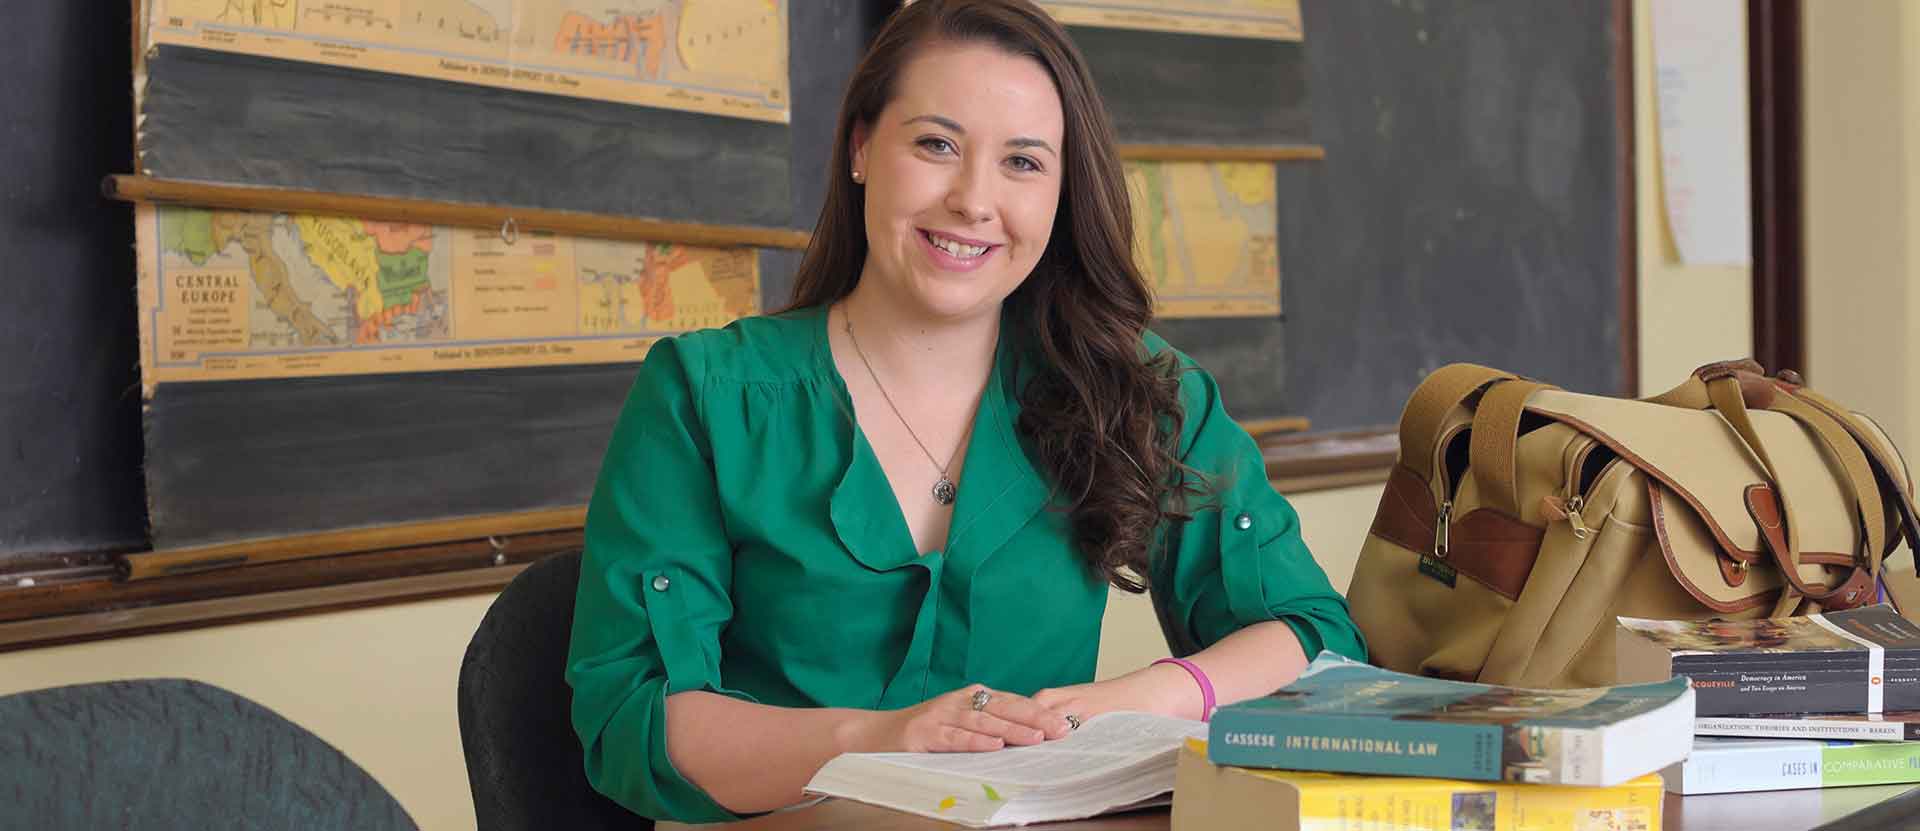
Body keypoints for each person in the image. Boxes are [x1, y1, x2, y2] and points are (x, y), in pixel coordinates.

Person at [565, 0, 1365, 823]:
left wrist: (1147, 698)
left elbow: (1309, 636)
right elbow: (637, 716)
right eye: (937, 144)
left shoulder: (1136, 390)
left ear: (1061, 192)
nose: (974, 201)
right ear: (862, 147)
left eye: (1023, 162)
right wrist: (876, 739)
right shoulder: (705, 395)